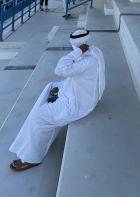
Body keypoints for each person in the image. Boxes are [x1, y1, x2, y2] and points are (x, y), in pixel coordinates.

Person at [9, 29, 105, 171]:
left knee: (38, 115)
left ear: (79, 45)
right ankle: (35, 144)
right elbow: (77, 79)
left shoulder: (87, 61)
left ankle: (32, 158)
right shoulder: (95, 51)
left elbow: (60, 69)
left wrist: (76, 52)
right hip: (79, 94)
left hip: (78, 104)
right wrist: (61, 87)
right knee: (51, 87)